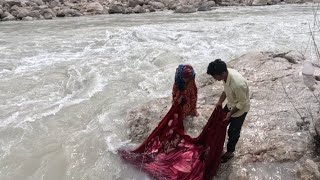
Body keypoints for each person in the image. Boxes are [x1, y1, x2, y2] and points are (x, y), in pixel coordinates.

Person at [206, 59, 250, 163]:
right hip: (231, 103)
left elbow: (241, 103)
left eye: (215, 76)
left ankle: (230, 152)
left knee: (233, 132)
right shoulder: (226, 75)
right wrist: (220, 102)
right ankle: (217, 146)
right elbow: (226, 90)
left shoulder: (238, 84)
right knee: (219, 125)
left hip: (240, 110)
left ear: (222, 73)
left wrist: (230, 114)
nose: (214, 78)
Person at [172, 64, 198, 132]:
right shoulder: (178, 79)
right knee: (179, 100)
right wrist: (178, 97)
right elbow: (176, 92)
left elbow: (193, 93)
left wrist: (193, 108)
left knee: (192, 96)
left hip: (190, 85)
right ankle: (183, 112)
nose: (186, 80)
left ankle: (192, 110)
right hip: (180, 86)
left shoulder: (191, 76)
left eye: (188, 79)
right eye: (185, 79)